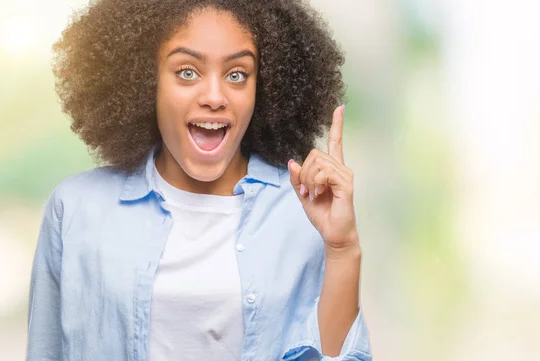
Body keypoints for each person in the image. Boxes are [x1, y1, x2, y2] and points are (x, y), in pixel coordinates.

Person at [26, 0, 371, 360]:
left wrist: (342, 249)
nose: (214, 97)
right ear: (147, 81)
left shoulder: (304, 208)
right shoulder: (76, 208)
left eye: (237, 74)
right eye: (187, 72)